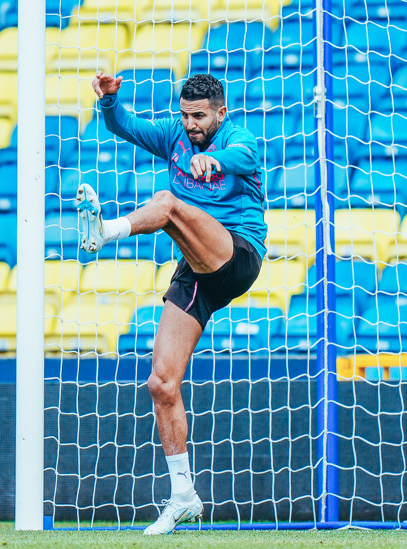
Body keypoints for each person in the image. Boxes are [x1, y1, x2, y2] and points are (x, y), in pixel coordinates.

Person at [78, 72, 267, 535]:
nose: (190, 124)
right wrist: (109, 101)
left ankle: (106, 231)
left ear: (220, 113)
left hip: (237, 254)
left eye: (199, 116)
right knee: (161, 383)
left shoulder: (236, 138)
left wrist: (213, 161)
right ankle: (183, 495)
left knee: (167, 203)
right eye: (185, 115)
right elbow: (125, 126)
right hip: (196, 272)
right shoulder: (175, 136)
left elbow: (245, 156)